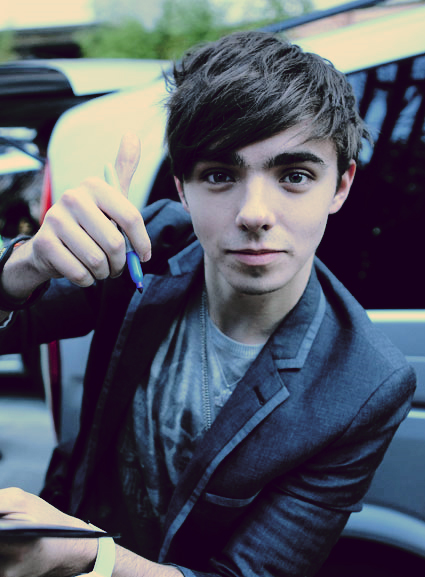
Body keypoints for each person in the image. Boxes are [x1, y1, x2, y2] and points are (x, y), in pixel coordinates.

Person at [0, 31, 416, 577]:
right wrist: (25, 266)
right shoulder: (151, 246)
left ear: (340, 186)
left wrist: (87, 555)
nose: (254, 213)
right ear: (181, 186)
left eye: (294, 176)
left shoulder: (364, 383)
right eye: (220, 175)